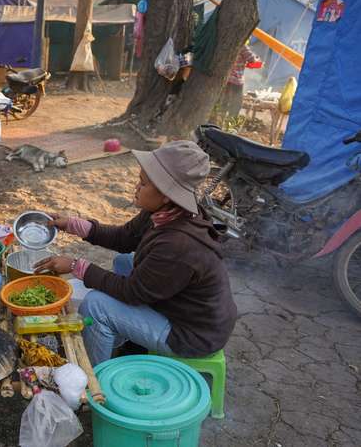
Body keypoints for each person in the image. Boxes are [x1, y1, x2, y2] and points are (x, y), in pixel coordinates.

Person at [34, 141, 237, 366]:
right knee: (124, 261)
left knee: (96, 305)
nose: (136, 187)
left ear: (167, 194)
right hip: (180, 307)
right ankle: (122, 339)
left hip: (192, 334)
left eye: (143, 183)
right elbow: (123, 238)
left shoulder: (177, 245)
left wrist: (76, 267)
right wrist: (73, 224)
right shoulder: (164, 213)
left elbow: (132, 292)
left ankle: (92, 381)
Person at [219, 44, 260, 120]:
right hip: (236, 80)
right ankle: (230, 123)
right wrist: (257, 59)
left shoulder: (228, 43)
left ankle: (219, 121)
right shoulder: (242, 45)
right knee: (236, 104)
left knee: (223, 102)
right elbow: (252, 59)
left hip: (224, 79)